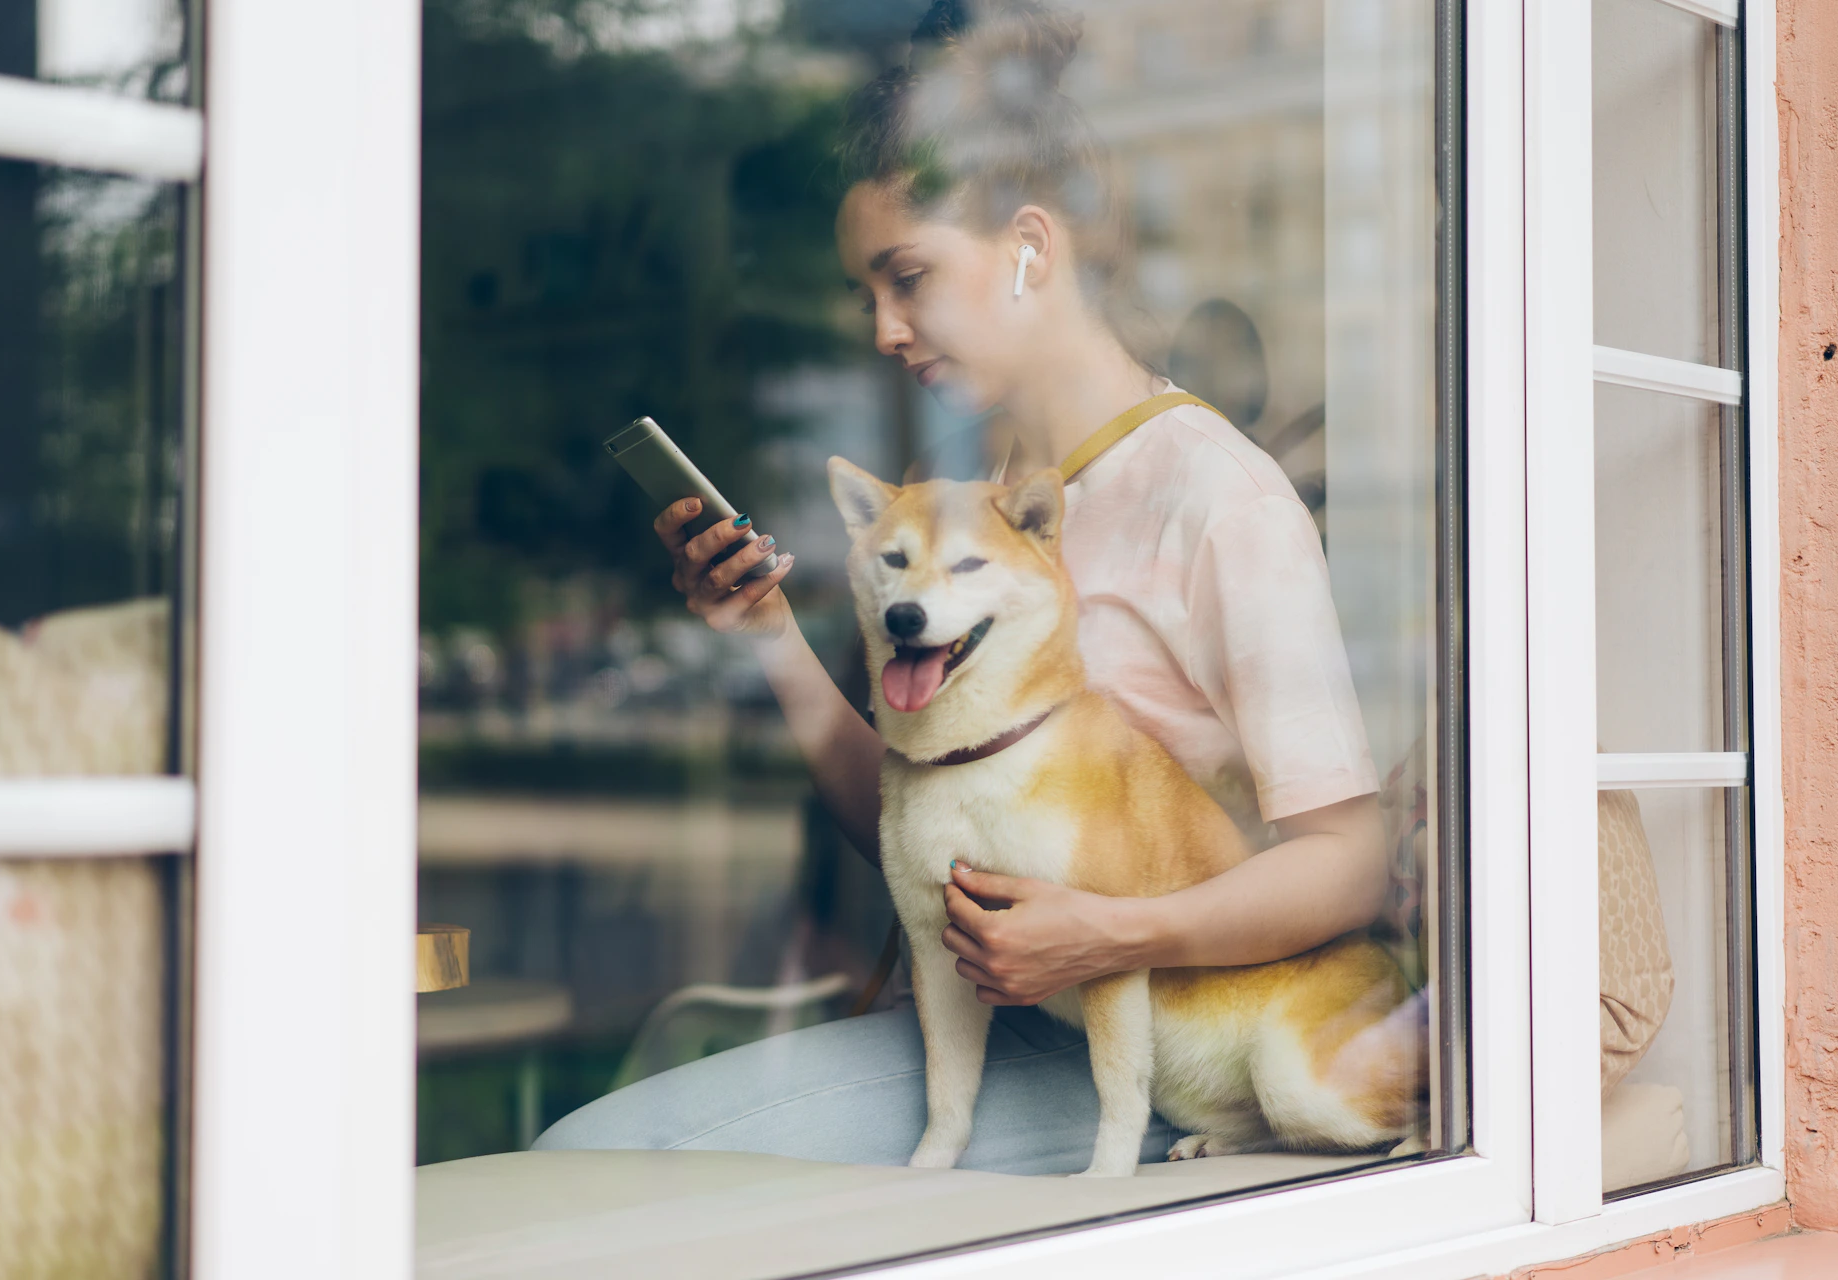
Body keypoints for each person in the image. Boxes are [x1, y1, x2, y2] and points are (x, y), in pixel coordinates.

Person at [535, 0, 1390, 1174]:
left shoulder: (1216, 498)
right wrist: (769, 633)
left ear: (1031, 247)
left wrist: (1111, 933)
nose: (883, 329)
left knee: (603, 1159)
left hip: (1167, 1047)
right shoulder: (971, 505)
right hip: (985, 1025)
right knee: (602, 1152)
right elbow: (909, 816)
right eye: (865, 294)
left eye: (908, 277)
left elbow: (1351, 860)